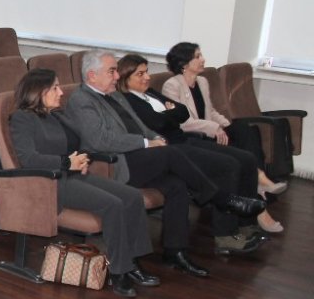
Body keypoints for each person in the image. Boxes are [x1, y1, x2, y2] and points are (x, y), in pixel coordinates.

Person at [65, 50, 265, 278]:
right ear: (92, 75)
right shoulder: (81, 100)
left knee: (176, 185)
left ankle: (175, 252)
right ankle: (222, 199)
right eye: (112, 71)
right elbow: (101, 140)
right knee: (172, 154)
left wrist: (155, 138)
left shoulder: (116, 96)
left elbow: (142, 126)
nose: (117, 76)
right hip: (115, 163)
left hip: (141, 157)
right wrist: (145, 143)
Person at [11, 69, 158, 297]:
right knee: (113, 204)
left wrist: (82, 158)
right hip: (50, 182)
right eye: (55, 88)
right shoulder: (22, 118)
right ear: (38, 92)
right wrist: (66, 162)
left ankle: (133, 261)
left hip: (73, 174)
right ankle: (119, 272)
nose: (61, 92)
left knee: (132, 196)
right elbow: (28, 159)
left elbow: (79, 144)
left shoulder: (56, 116)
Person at [117, 53, 279, 240]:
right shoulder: (127, 100)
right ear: (125, 78)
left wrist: (169, 113)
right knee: (229, 165)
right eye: (140, 74)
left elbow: (183, 112)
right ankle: (225, 235)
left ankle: (247, 224)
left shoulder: (150, 93)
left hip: (185, 139)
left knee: (247, 159)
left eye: (147, 72)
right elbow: (157, 123)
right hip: (172, 148)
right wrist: (170, 112)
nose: (147, 77)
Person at [162, 42, 289, 199]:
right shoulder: (172, 86)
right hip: (194, 137)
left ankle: (259, 179)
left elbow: (211, 111)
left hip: (211, 131)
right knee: (240, 145)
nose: (203, 59)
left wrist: (225, 125)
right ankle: (258, 182)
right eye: (198, 56)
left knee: (244, 129)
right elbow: (182, 122)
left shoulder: (202, 82)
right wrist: (214, 128)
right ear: (184, 64)